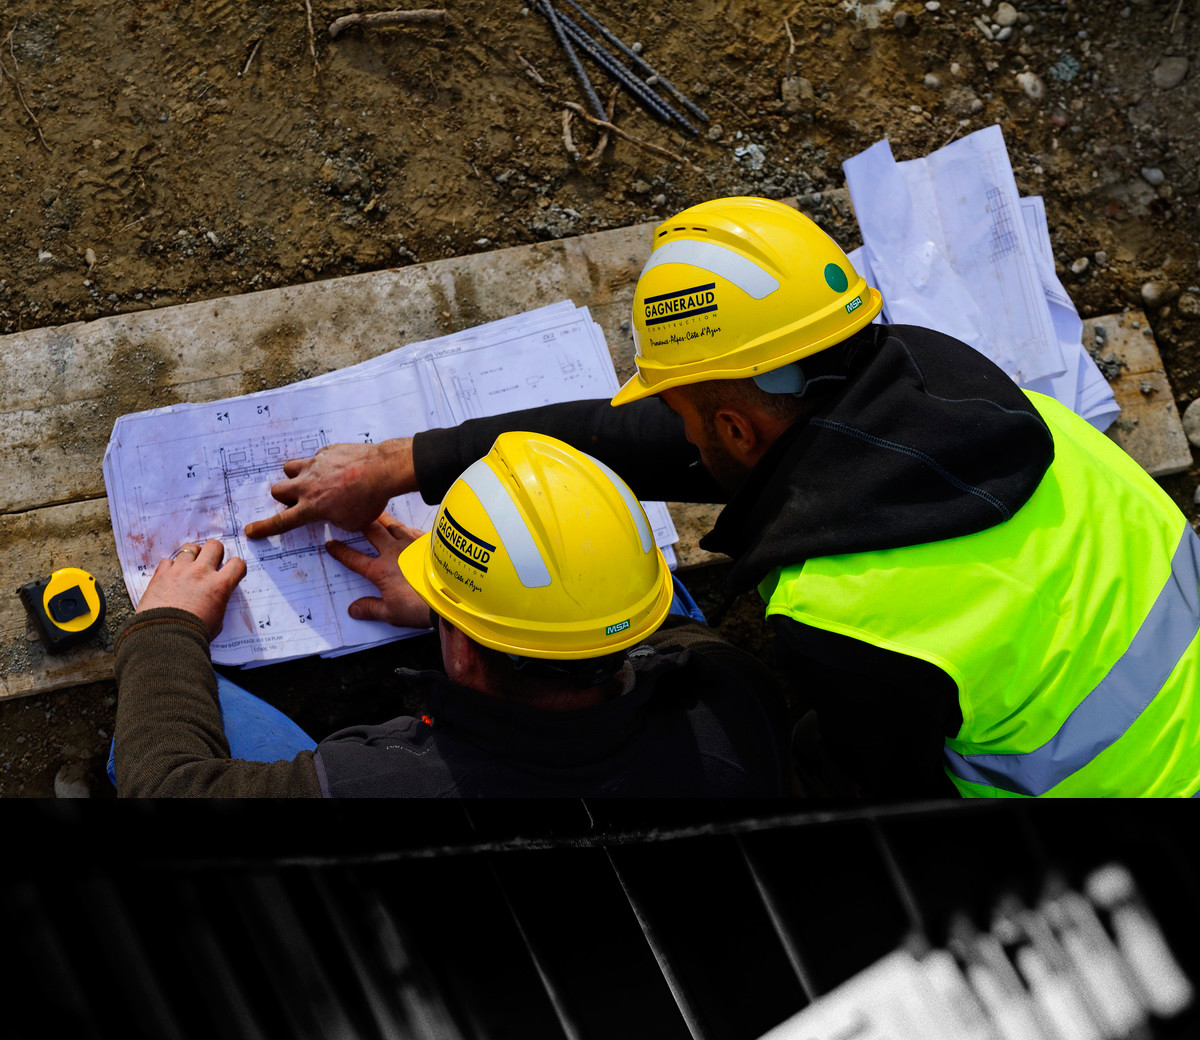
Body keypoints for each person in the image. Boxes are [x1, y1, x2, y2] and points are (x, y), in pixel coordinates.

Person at [248, 198, 1200, 801]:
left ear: (738, 428)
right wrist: (406, 461)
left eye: (688, 417)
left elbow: (874, 784)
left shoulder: (855, 618)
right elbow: (663, 443)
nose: (680, 441)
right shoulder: (984, 404)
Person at [111, 432, 787, 799]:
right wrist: (483, 607)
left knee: (146, 729)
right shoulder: (731, 700)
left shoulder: (386, 783)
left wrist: (166, 628)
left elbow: (165, 785)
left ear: (459, 651)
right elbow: (666, 628)